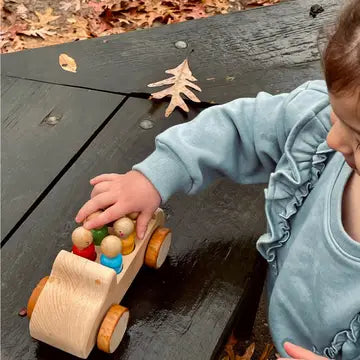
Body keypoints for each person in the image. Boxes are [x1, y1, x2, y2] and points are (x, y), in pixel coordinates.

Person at [75, 1, 360, 358]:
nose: (334, 140)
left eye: (358, 136)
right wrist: (157, 174)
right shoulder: (317, 128)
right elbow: (238, 128)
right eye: (337, 116)